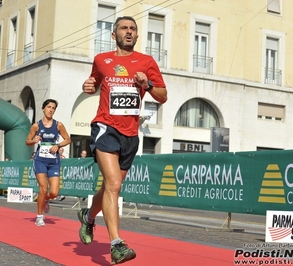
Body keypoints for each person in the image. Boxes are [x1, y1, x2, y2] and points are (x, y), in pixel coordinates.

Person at [79, 16, 167, 264]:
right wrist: (88, 86)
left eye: (132, 29)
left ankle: (88, 217)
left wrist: (147, 84)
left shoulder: (147, 62)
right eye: (123, 28)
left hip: (130, 133)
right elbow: (93, 83)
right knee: (114, 184)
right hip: (105, 127)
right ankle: (117, 244)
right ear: (113, 34)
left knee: (110, 187)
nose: (128, 32)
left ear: (137, 36)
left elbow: (163, 95)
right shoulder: (101, 60)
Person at [25, 99, 71, 227]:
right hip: (40, 160)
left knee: (54, 192)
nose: (51, 110)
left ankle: (44, 199)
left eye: (53, 108)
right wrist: (34, 140)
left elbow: (68, 139)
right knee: (43, 188)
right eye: (49, 107)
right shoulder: (36, 126)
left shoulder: (58, 125)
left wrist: (58, 145)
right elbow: (27, 141)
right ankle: (39, 217)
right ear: (43, 109)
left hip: (54, 161)